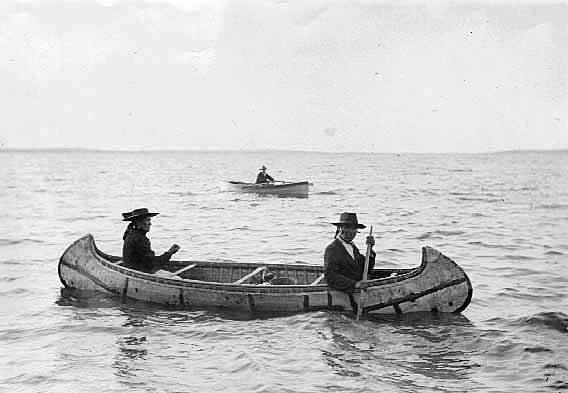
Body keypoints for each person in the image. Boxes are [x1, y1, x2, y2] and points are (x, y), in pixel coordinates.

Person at [324, 212, 375, 293]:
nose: (350, 232)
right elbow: (330, 276)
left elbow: (366, 268)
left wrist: (370, 249)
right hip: (344, 292)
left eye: (353, 229)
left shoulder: (353, 247)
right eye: (347, 228)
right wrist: (355, 284)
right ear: (340, 229)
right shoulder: (332, 249)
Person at [121, 208, 180, 273]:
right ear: (138, 222)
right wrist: (170, 253)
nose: (150, 223)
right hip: (138, 272)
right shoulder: (138, 239)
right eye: (147, 220)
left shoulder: (130, 233)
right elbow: (151, 264)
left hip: (133, 270)